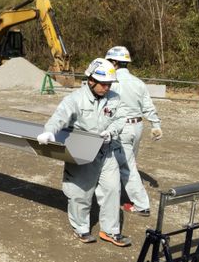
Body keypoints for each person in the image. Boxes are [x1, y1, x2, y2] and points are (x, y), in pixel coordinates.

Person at [36, 58, 131, 247]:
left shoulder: (114, 98)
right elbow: (59, 117)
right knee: (81, 192)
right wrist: (49, 131)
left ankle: (110, 231)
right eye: (103, 84)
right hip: (83, 151)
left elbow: (120, 119)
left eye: (109, 84)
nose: (107, 87)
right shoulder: (75, 99)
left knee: (112, 190)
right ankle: (81, 228)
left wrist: (111, 132)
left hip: (107, 150)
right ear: (91, 80)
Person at [105, 46, 162, 217]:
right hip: (137, 126)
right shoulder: (138, 82)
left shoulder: (112, 82)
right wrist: (155, 125)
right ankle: (121, 190)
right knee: (128, 161)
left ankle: (141, 205)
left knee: (126, 165)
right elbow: (148, 106)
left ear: (114, 62)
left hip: (121, 128)